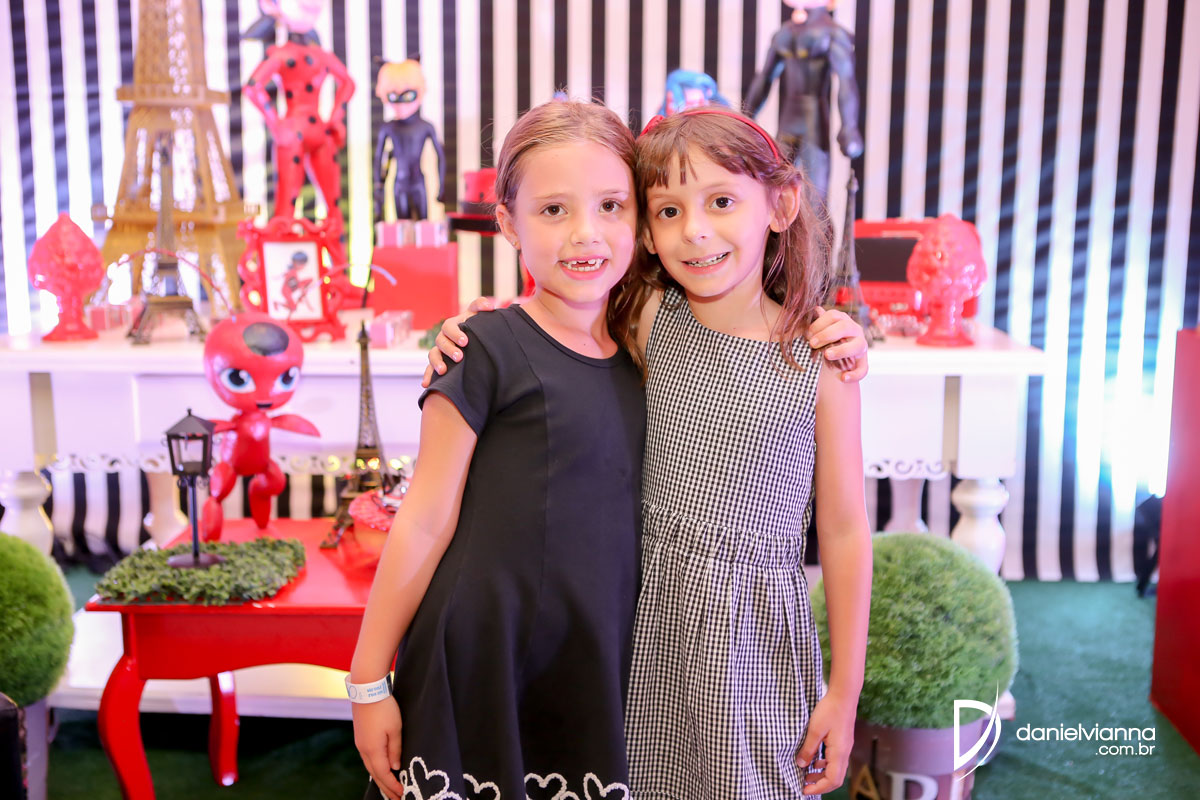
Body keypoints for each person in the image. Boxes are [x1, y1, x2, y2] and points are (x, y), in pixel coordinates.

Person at [428, 107, 872, 798]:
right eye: (668, 211)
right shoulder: (646, 318)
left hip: (751, 646)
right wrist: (480, 323)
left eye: (721, 202)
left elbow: (844, 531)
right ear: (645, 228)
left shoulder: (819, 362)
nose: (694, 230)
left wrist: (844, 692)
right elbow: (557, 321)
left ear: (781, 205)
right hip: (641, 629)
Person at [349, 100, 646, 800]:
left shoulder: (649, 350)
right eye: (553, 210)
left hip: (595, 655)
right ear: (508, 223)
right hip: (484, 653)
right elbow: (424, 518)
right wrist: (367, 681)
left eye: (610, 205)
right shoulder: (482, 347)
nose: (586, 233)